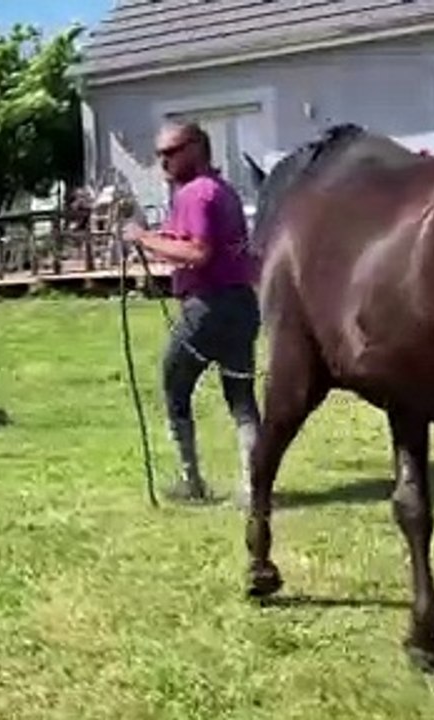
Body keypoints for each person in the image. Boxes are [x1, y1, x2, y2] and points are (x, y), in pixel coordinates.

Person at [124, 121, 262, 505]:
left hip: (207, 308)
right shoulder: (225, 191)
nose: (162, 162)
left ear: (196, 148)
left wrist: (142, 238)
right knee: (242, 398)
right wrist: (158, 238)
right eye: (159, 155)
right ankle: (255, 487)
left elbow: (199, 253)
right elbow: (187, 239)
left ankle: (191, 482)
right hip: (242, 305)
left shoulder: (195, 194)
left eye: (169, 153)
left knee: (175, 384)